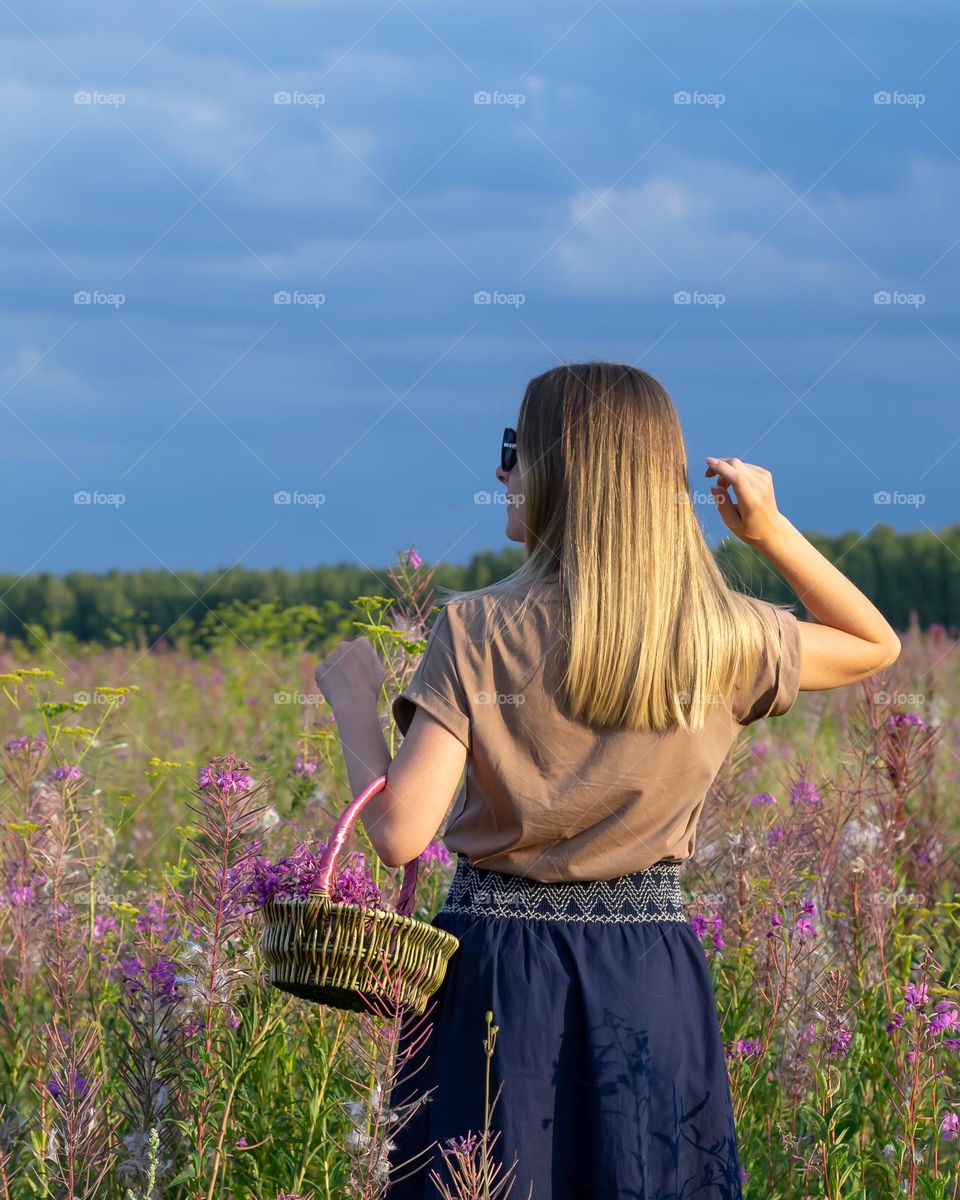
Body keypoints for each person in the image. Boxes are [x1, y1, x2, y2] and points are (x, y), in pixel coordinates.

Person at [314, 362, 901, 1200]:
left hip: (494, 979)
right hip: (650, 973)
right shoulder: (723, 637)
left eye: (514, 448)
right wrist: (769, 532)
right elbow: (875, 644)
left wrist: (352, 705)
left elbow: (400, 833)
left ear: (560, 468)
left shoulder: (477, 627)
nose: (502, 472)